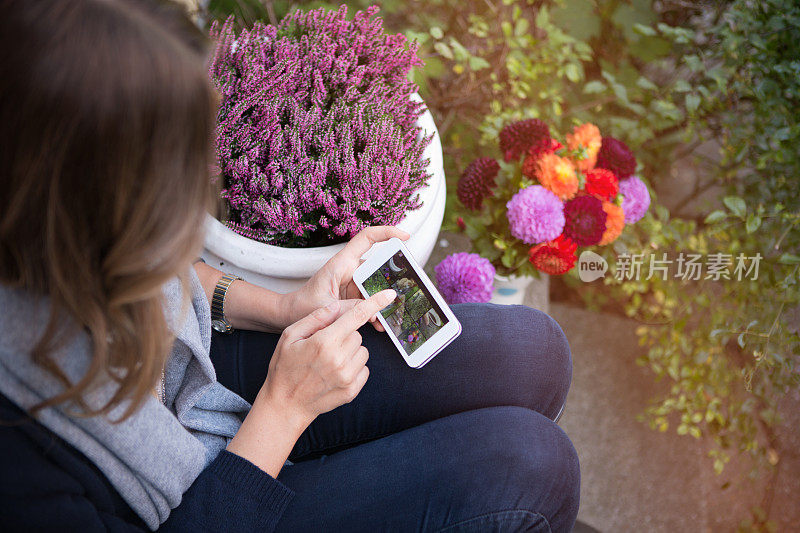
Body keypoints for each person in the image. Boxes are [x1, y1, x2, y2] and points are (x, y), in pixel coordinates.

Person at [0, 0, 580, 531]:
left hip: (189, 369)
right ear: (78, 210)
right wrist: (284, 410)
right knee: (534, 468)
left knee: (533, 351)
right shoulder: (23, 465)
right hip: (205, 508)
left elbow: (163, 271)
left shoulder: (50, 217)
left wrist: (282, 307)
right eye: (166, 193)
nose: (193, 212)